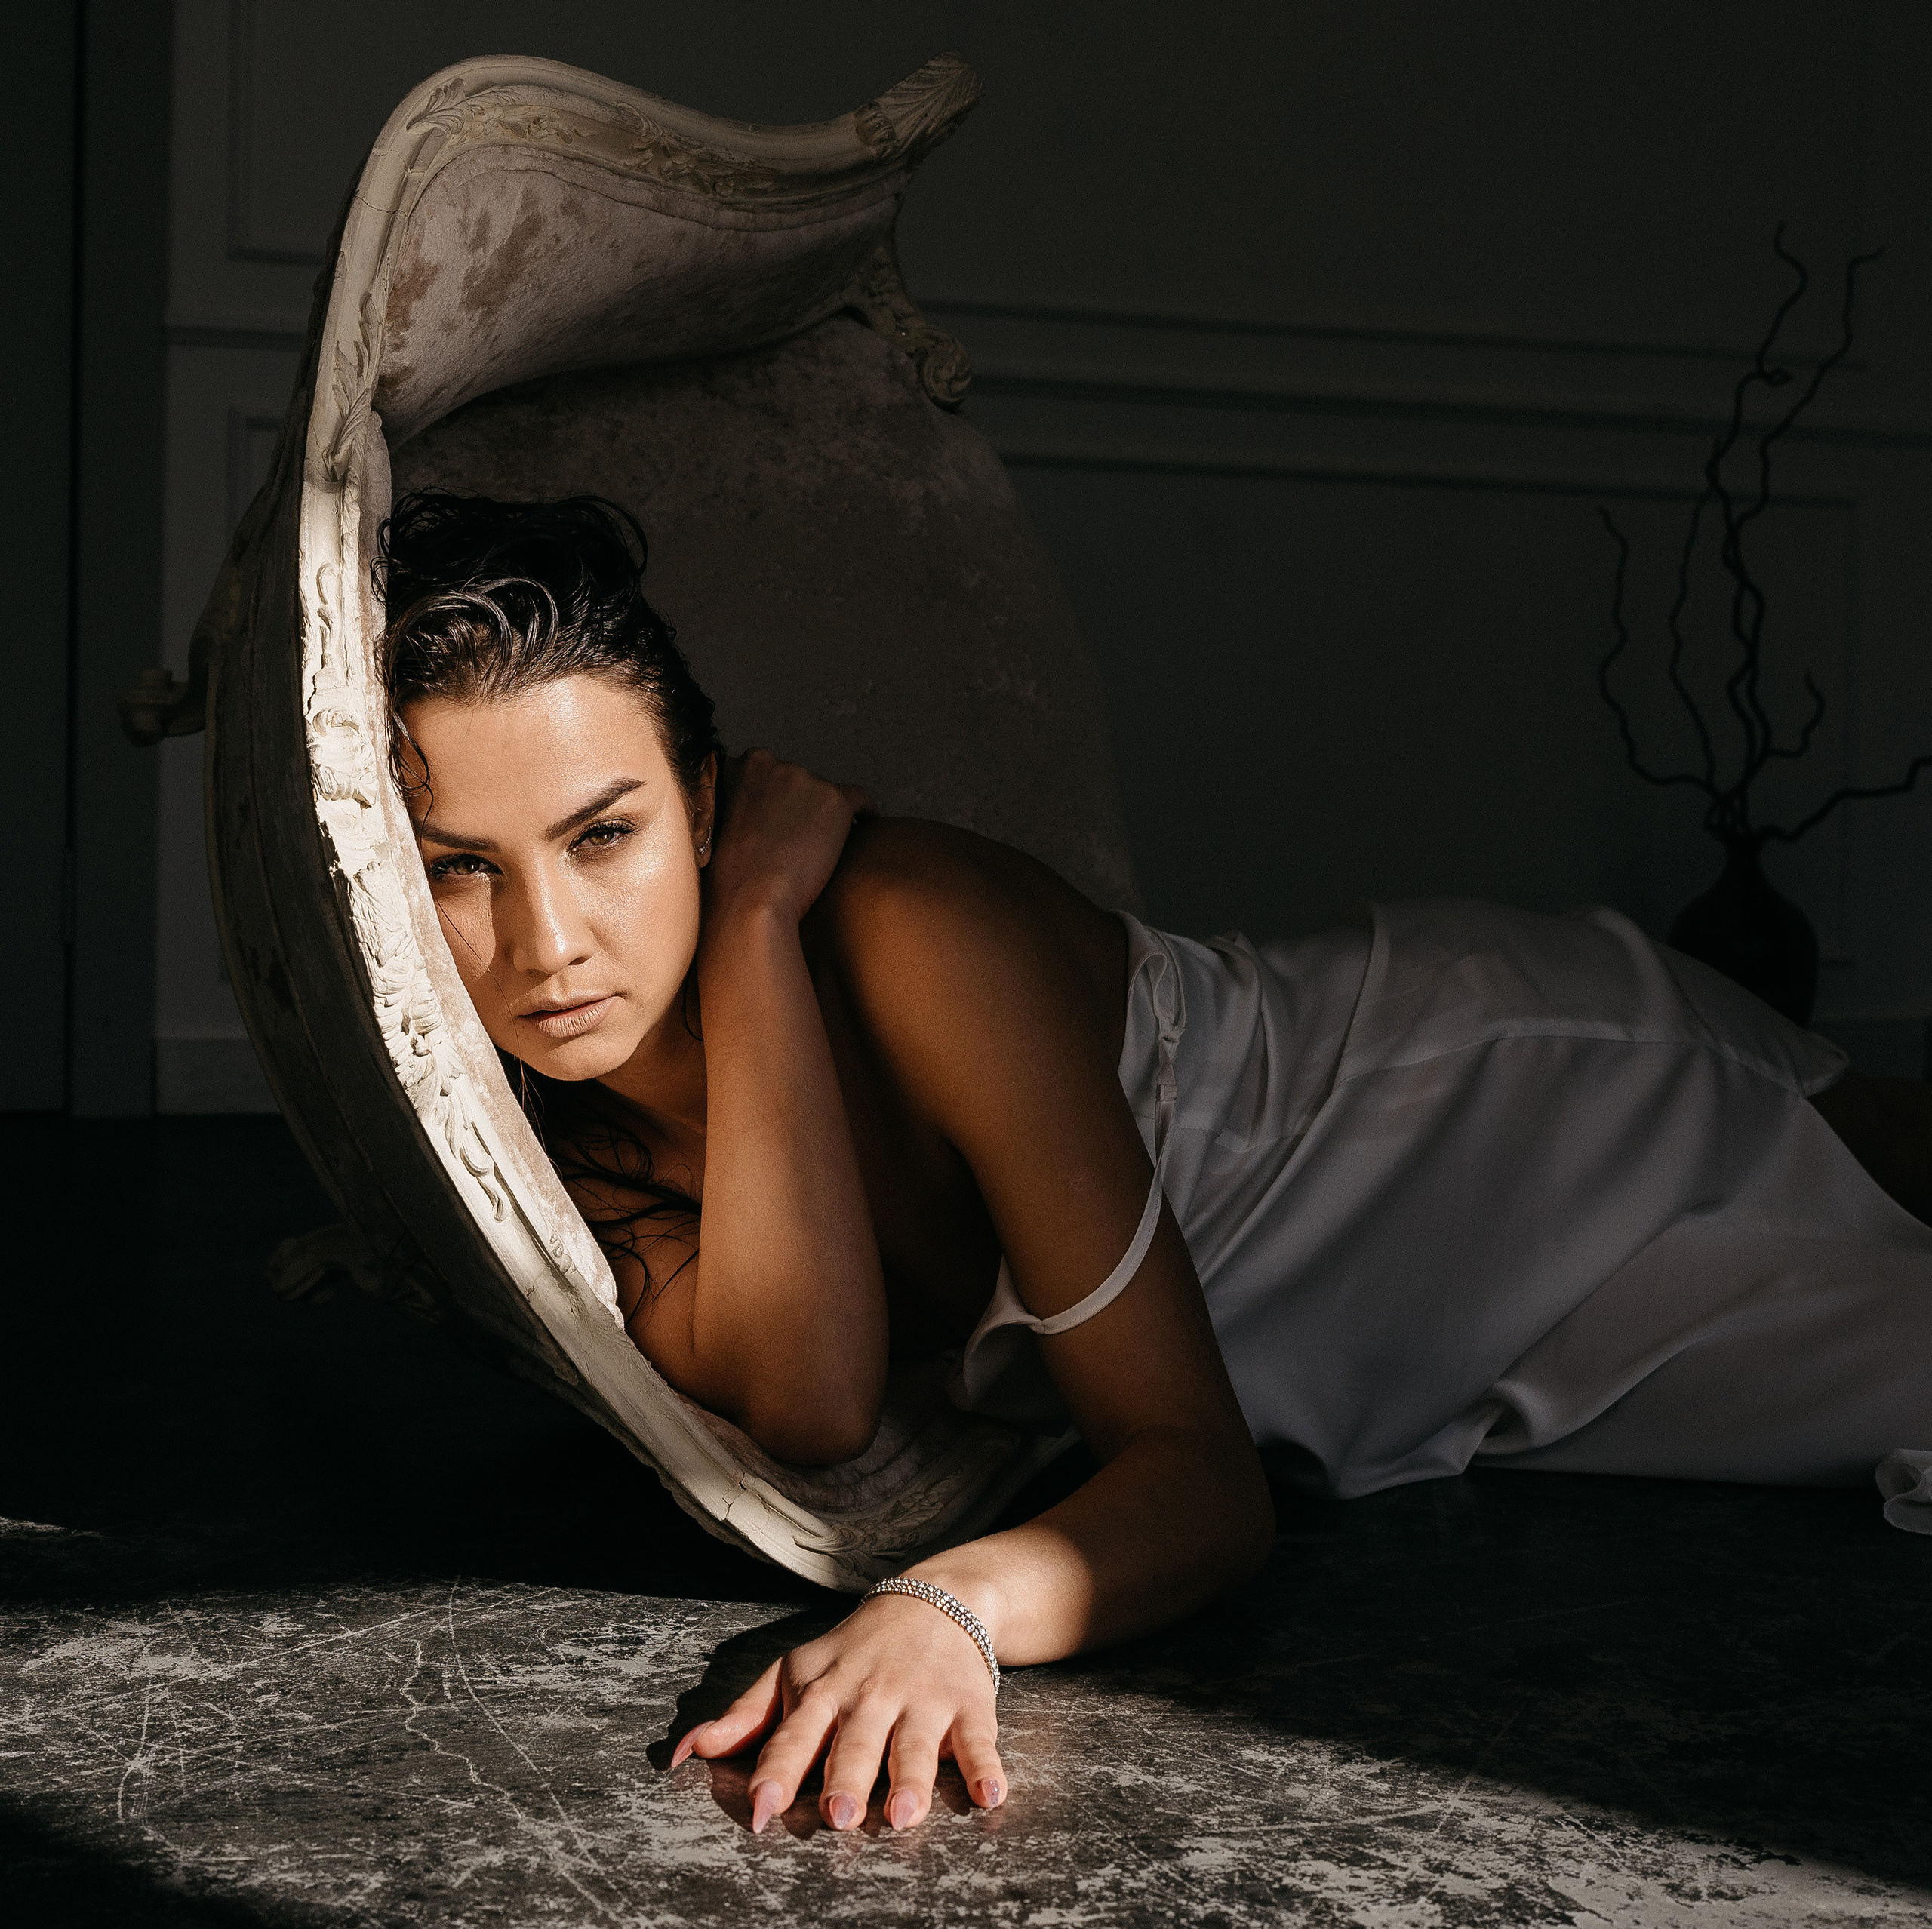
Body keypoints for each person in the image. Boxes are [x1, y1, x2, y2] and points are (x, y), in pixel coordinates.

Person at [377, 488, 1932, 1837]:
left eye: (604, 834)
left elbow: (1198, 1477)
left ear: (706, 804)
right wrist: (755, 938)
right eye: (462, 867)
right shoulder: (570, 1161)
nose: (548, 942)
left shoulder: (918, 931)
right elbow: (815, 1399)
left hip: (1497, 1100)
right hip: (1423, 1360)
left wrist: (947, 1610)